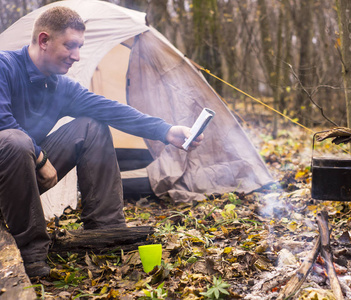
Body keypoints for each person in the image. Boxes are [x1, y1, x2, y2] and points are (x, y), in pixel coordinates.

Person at [0, 6, 202, 278]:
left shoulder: (59, 86)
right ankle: (31, 254)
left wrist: (165, 131)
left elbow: (110, 109)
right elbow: (2, 122)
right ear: (44, 40)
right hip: (8, 165)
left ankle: (107, 232)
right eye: (70, 45)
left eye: (80, 46)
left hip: (24, 176)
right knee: (15, 141)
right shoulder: (4, 66)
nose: (77, 56)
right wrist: (40, 157)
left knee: (92, 126)